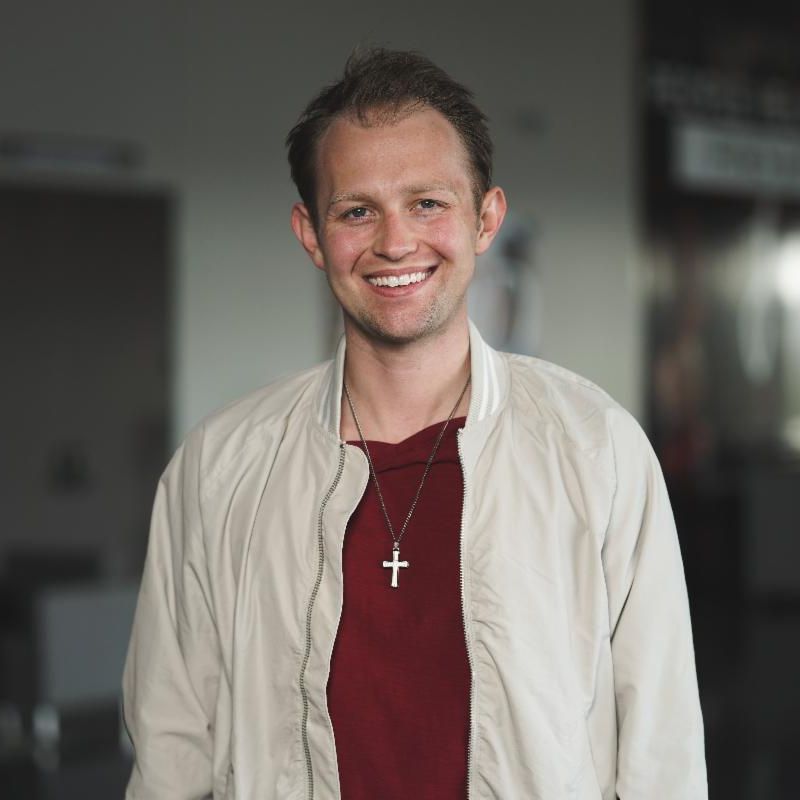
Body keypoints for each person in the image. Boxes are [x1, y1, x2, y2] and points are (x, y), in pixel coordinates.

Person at [122, 48, 707, 799]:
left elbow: (662, 753)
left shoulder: (596, 448)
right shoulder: (219, 467)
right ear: (311, 234)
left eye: (427, 203)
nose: (395, 242)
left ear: (485, 219)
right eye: (356, 211)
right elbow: (169, 753)